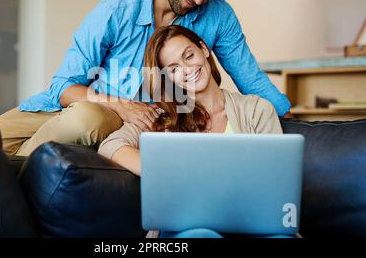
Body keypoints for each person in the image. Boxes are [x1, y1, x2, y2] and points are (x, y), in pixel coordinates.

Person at [0, 0, 291, 157]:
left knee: (86, 119)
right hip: (67, 106)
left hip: (99, 119)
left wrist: (289, 118)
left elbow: (249, 77)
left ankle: (19, 171)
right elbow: (63, 87)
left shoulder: (218, 15)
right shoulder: (116, 10)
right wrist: (121, 104)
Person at [98, 25, 293, 238]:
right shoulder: (162, 117)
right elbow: (110, 146)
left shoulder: (256, 109)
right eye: (173, 68)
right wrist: (162, 171)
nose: (187, 69)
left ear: (204, 49)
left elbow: (277, 185)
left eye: (189, 56)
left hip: (249, 224)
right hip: (186, 229)